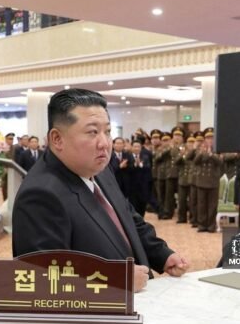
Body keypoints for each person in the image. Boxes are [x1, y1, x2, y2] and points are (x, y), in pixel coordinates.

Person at [12, 88, 189, 293]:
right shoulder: (40, 195)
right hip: (103, 309)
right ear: (57, 139)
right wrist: (116, 280)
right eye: (92, 132)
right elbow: (44, 281)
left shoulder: (99, 169)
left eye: (107, 131)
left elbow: (128, 219)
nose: (104, 143)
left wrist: (162, 254)